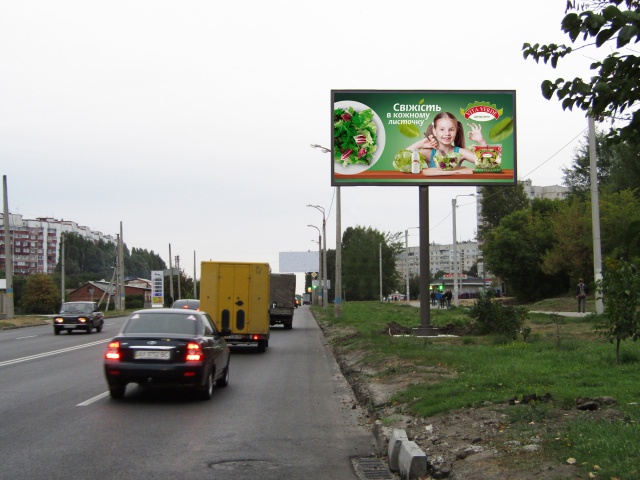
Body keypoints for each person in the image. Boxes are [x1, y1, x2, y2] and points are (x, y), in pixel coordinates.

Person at [406, 111, 487, 170]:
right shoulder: (428, 153)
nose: (447, 133)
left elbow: (485, 164)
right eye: (442, 129)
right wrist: (419, 144)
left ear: (456, 131)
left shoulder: (460, 153)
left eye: (451, 130)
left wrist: (482, 141)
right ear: (434, 131)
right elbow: (403, 159)